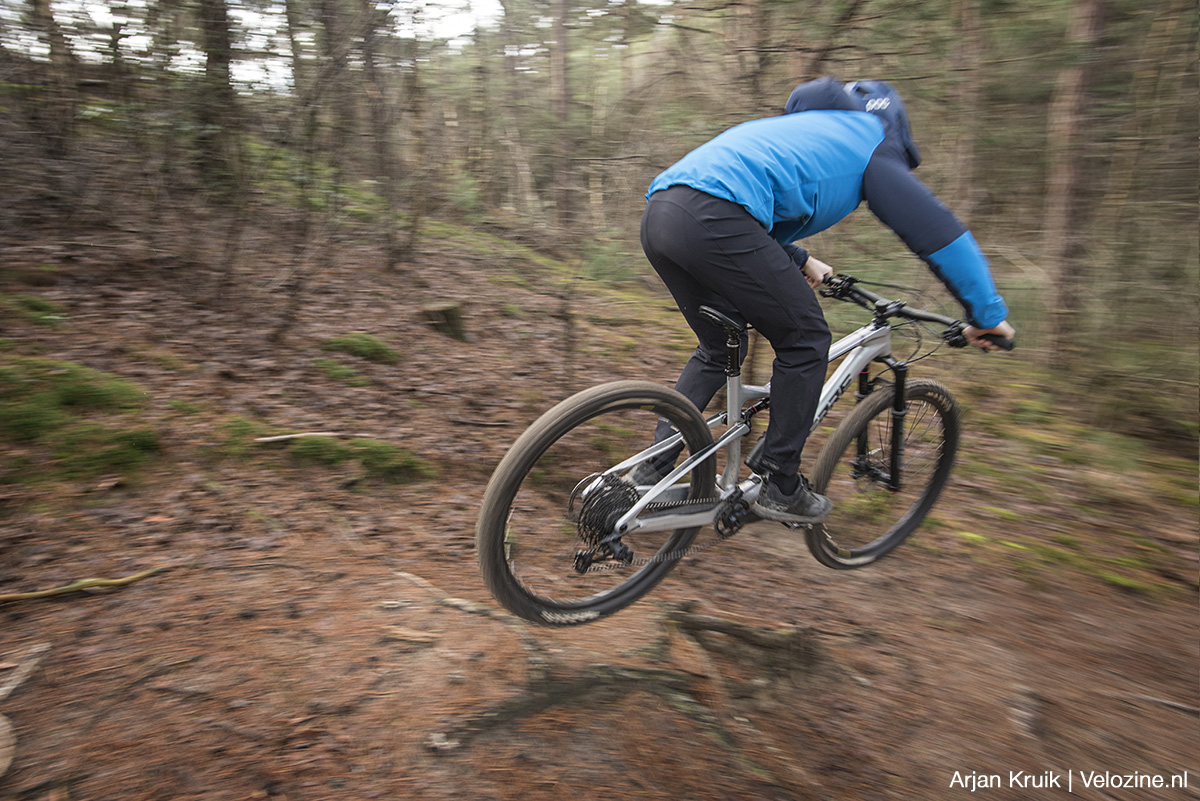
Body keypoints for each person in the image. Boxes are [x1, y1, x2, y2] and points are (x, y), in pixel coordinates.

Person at [638, 77, 1016, 524]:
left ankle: (652, 467)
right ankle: (779, 482)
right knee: (805, 339)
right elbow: (939, 234)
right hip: (713, 217)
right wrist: (987, 314)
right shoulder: (870, 138)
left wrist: (800, 258)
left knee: (719, 347)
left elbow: (746, 203)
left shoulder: (788, 133)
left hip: (661, 214)